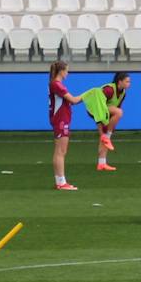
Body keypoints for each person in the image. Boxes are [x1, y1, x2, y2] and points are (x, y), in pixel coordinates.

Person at [48, 61, 84, 191]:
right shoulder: (57, 85)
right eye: (67, 71)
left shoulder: (55, 84)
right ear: (61, 71)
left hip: (61, 119)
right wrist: (87, 95)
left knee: (60, 151)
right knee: (60, 151)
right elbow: (73, 100)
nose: (67, 73)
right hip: (61, 120)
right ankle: (61, 182)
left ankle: (60, 181)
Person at [90, 71, 131, 171]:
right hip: (94, 108)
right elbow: (97, 105)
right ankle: (107, 135)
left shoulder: (123, 93)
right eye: (127, 81)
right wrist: (102, 129)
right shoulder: (109, 90)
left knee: (105, 135)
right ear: (119, 82)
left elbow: (115, 109)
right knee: (119, 113)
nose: (129, 84)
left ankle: (102, 163)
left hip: (106, 111)